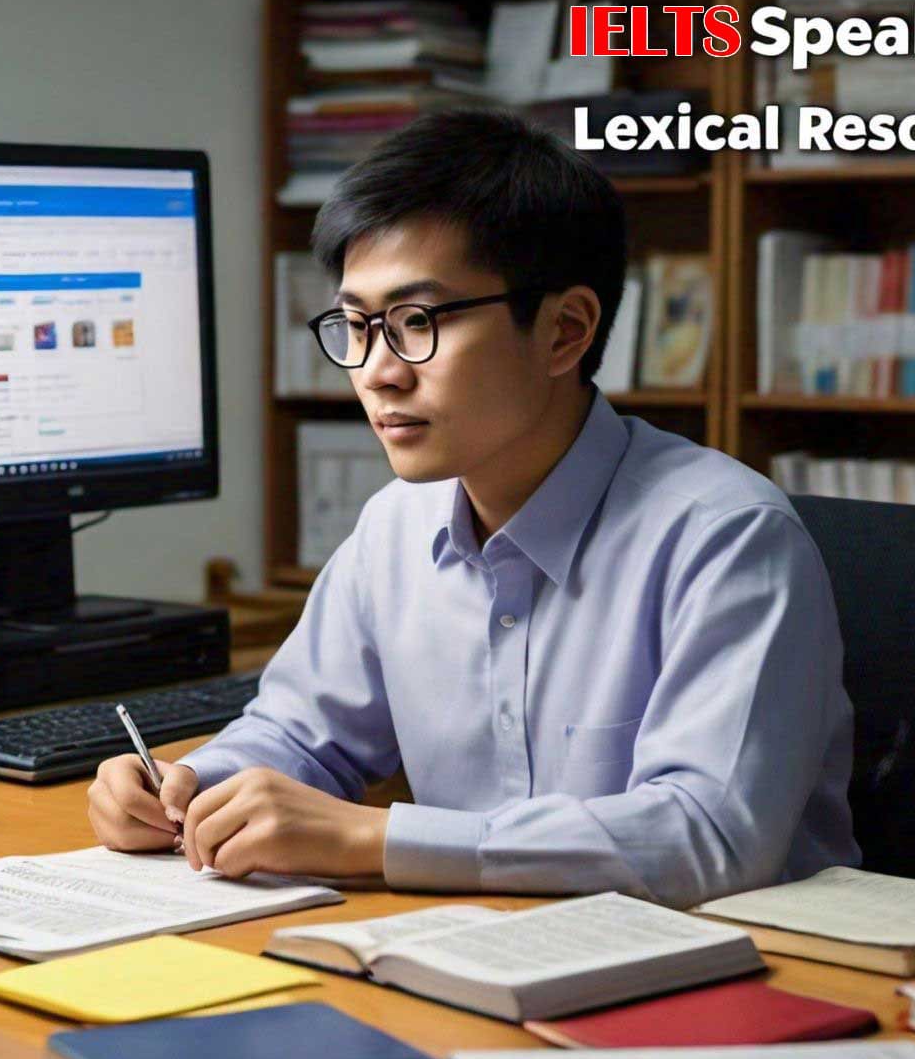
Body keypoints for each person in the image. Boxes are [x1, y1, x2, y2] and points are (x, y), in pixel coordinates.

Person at [87, 109, 859, 909]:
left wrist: (370, 838)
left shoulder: (726, 538)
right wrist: (188, 785)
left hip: (730, 976)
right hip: (471, 949)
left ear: (565, 332)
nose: (377, 373)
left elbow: (709, 838)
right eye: (356, 326)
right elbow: (297, 732)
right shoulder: (395, 526)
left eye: (416, 323)